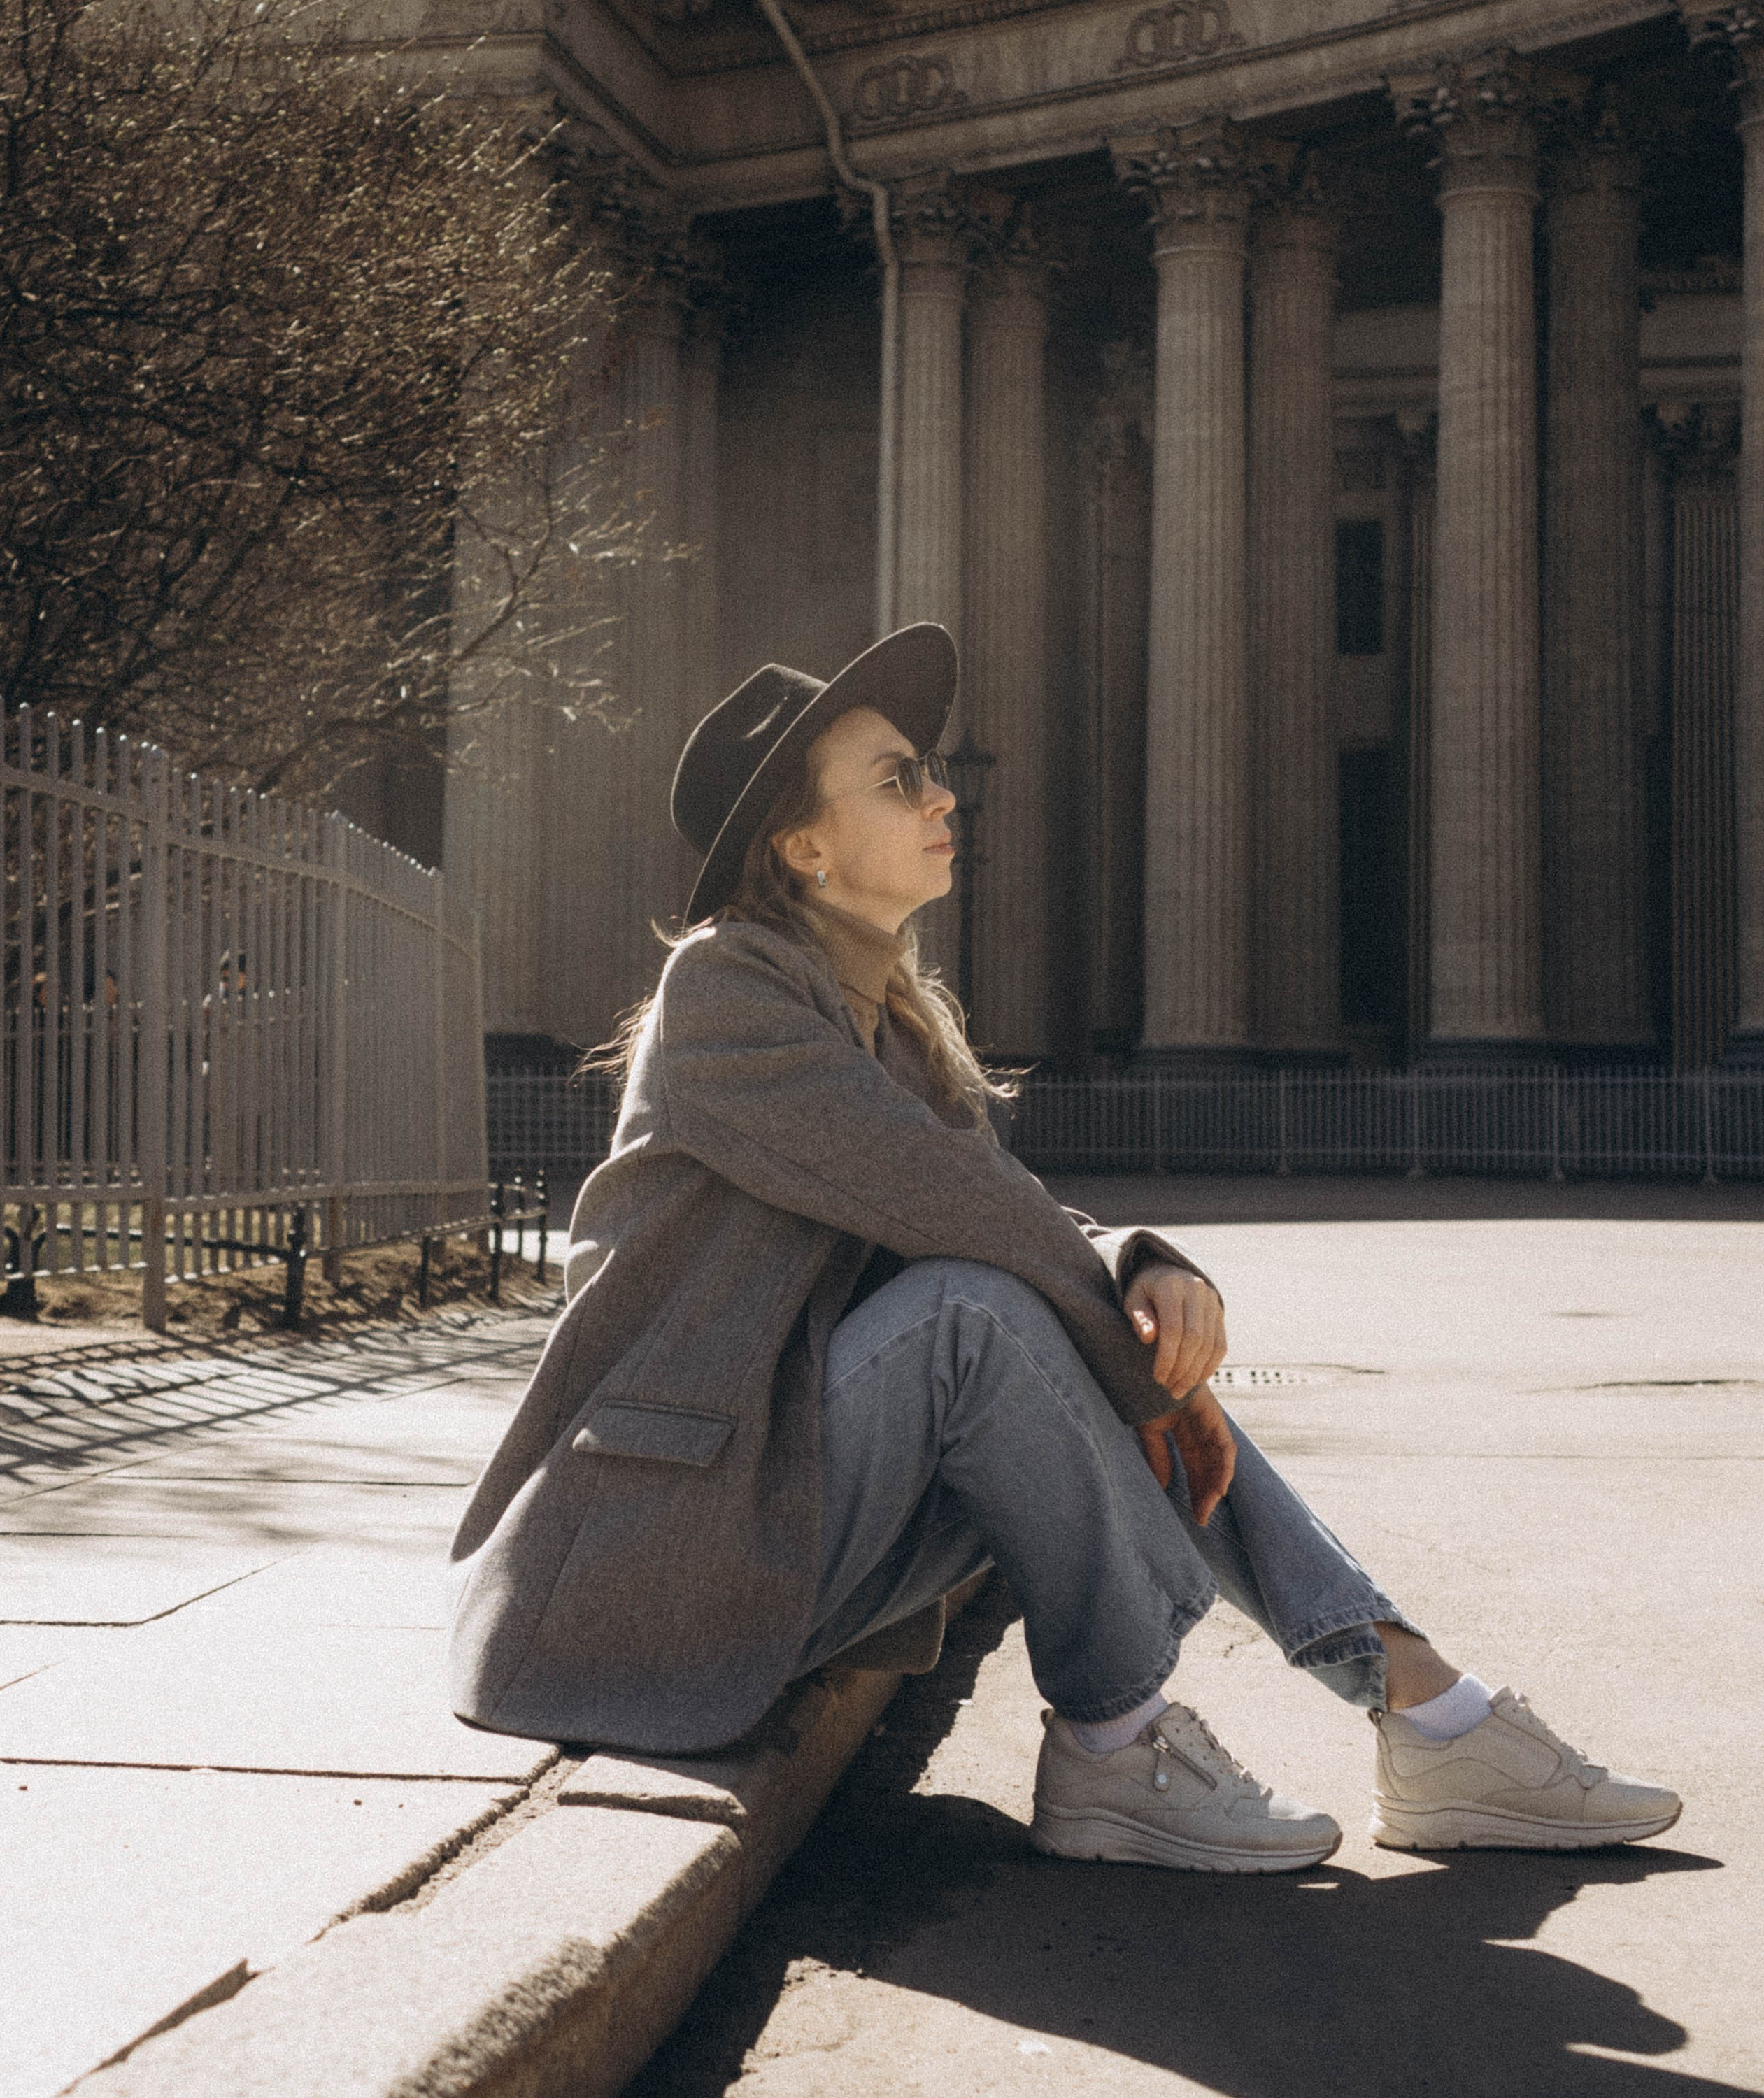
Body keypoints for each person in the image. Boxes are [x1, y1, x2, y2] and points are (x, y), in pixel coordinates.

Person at [449, 625, 1680, 1872]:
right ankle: (1120, 1740)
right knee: (972, 1316)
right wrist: (1147, 1368)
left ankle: (1421, 1703)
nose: (941, 794)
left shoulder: (886, 1021)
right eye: (895, 780)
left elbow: (1005, 1208)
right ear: (803, 847)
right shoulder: (726, 994)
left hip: (769, 1517)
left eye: (926, 771)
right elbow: (963, 1214)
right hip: (638, 1572)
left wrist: (1148, 1274)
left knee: (1056, 1316)